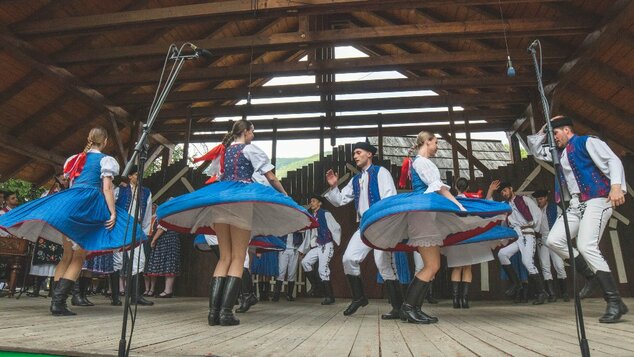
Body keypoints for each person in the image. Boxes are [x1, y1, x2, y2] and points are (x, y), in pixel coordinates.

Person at [156, 119, 316, 326]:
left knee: (224, 258)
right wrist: (285, 196)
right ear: (247, 132)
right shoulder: (250, 150)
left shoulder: (223, 152)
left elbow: (218, 176)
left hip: (221, 201)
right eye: (253, 131)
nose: (254, 135)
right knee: (239, 258)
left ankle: (213, 313)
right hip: (241, 202)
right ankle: (225, 313)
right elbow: (271, 177)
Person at [359, 131, 513, 324]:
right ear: (427, 141)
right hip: (422, 218)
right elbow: (438, 187)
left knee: (432, 266)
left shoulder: (418, 162)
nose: (437, 146)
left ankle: (414, 308)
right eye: (435, 142)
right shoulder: (423, 162)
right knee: (432, 266)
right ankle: (409, 307)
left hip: (424, 217)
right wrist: (458, 206)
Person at [0, 126, 145, 316]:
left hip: (69, 203)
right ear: (106, 141)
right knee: (79, 256)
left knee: (66, 256)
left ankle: (56, 301)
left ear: (88, 139)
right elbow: (107, 188)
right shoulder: (107, 160)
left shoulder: (74, 160)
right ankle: (59, 303)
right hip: (89, 205)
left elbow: (72, 183)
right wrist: (112, 212)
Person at [528, 115, 628, 323]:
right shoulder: (559, 153)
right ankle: (591, 275)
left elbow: (613, 160)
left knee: (586, 245)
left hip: (598, 199)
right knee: (554, 240)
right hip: (575, 205)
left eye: (555, 133)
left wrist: (617, 186)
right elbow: (537, 150)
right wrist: (545, 128)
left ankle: (614, 301)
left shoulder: (587, 142)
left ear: (566, 130)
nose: (553, 138)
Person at [324, 141, 402, 319]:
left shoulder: (381, 172)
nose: (355, 156)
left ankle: (398, 307)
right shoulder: (356, 179)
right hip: (364, 226)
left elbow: (389, 197)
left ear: (369, 154)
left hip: (380, 224)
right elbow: (341, 200)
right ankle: (359, 298)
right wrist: (334, 186)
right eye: (354, 154)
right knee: (348, 258)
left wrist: (387, 224)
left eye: (358, 152)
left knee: (384, 264)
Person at [496, 181, 548, 305]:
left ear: (511, 188)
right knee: (502, 254)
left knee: (527, 262)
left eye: (505, 190)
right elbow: (502, 221)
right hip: (517, 235)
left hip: (527, 233)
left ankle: (542, 292)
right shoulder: (504, 206)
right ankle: (516, 283)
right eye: (502, 192)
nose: (504, 193)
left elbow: (537, 213)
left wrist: (534, 228)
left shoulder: (524, 199)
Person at [300, 194, 341, 305]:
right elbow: (310, 233)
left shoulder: (325, 214)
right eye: (311, 201)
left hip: (326, 244)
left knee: (323, 270)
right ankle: (316, 285)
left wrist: (332, 238)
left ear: (319, 203)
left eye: (313, 201)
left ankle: (329, 296)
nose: (311, 203)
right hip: (318, 245)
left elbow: (336, 227)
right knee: (305, 262)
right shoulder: (312, 216)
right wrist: (304, 248)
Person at [532, 189, 569, 302]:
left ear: (546, 198)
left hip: (554, 237)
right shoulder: (536, 210)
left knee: (559, 265)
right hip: (542, 239)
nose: (539, 201)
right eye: (538, 199)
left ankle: (565, 293)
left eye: (541, 199)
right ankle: (552, 294)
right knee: (545, 265)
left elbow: (563, 222)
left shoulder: (555, 208)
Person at [146, 222, 181, 298]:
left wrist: (154, 240)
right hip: (170, 238)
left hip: (168, 239)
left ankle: (168, 290)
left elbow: (162, 227)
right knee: (170, 263)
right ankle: (168, 290)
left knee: (169, 263)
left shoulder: (167, 213)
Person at [273, 230, 305, 302]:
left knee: (292, 272)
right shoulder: (284, 222)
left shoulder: (297, 223)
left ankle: (289, 295)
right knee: (281, 271)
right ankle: (276, 295)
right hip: (283, 248)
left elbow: (302, 235)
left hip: (294, 249)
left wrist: (301, 250)